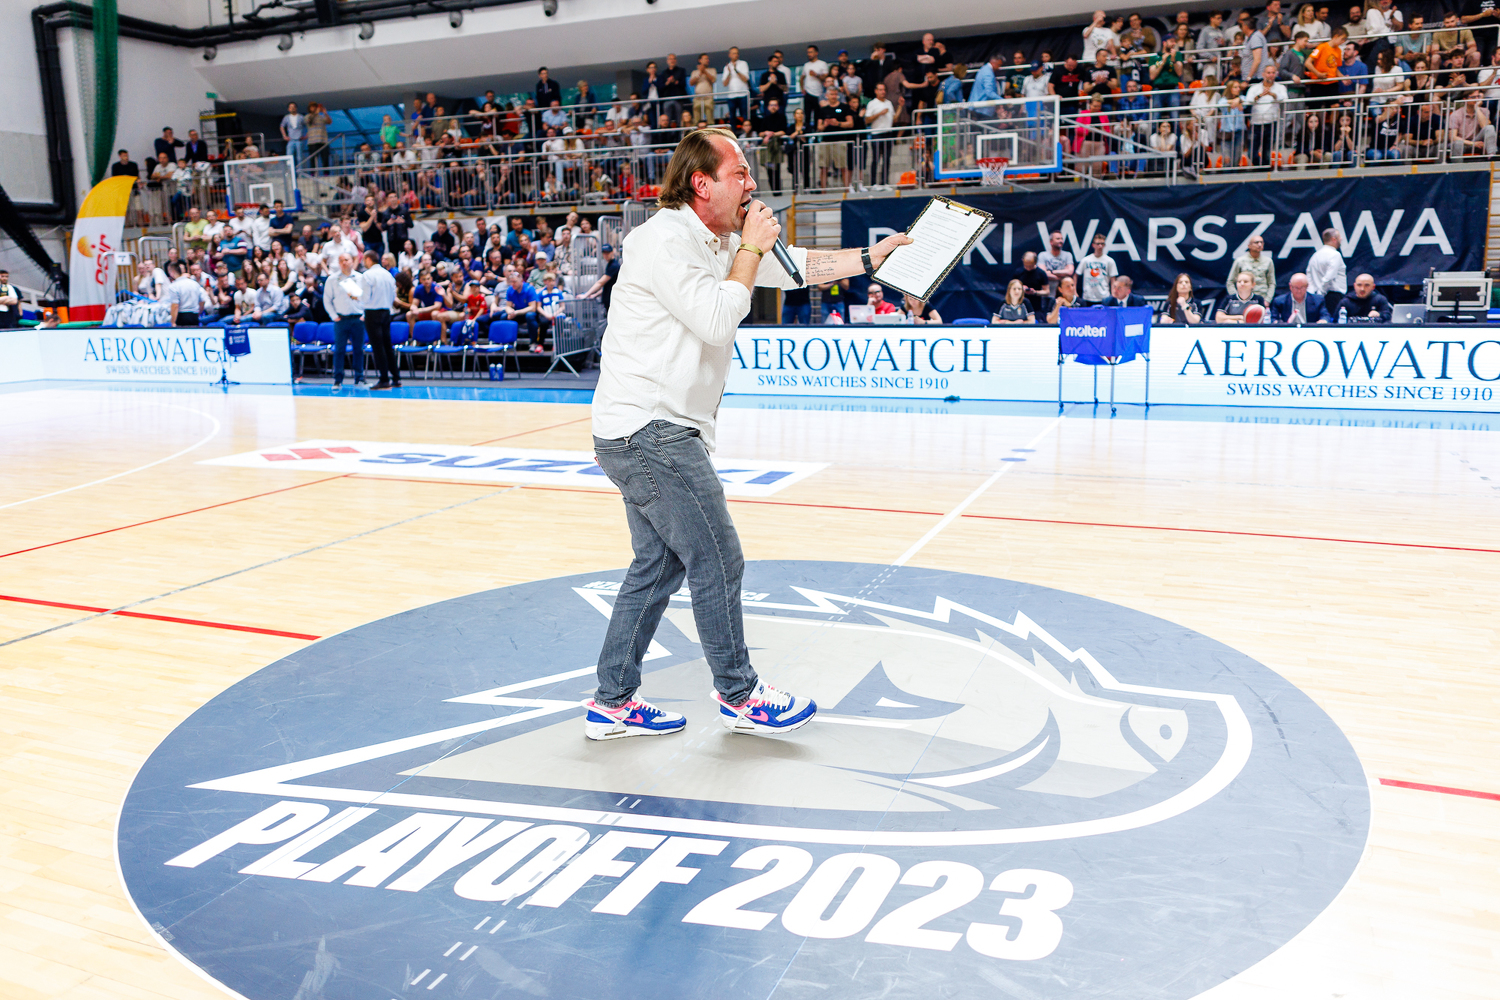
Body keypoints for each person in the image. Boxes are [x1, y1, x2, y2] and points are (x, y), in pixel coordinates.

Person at [584, 126, 910, 740]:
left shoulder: (720, 241)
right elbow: (715, 318)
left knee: (657, 566)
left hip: (641, 429)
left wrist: (870, 259)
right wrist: (753, 248)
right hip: (650, 429)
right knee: (717, 557)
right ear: (701, 183)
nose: (752, 183)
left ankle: (612, 701)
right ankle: (739, 695)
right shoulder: (663, 240)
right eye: (739, 173)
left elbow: (797, 268)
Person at [323, 253, 367, 388]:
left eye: (346, 260)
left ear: (353, 261)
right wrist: (333, 316)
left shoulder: (361, 278)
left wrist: (364, 314)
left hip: (358, 318)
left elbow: (367, 298)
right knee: (339, 350)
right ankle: (338, 380)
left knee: (358, 349)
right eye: (341, 260)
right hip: (341, 319)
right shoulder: (332, 279)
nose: (344, 262)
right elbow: (327, 300)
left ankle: (359, 378)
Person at [359, 250, 400, 389]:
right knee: (387, 346)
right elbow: (393, 295)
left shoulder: (367, 275)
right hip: (386, 312)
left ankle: (384, 379)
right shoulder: (388, 274)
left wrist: (355, 296)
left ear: (368, 259)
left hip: (373, 312)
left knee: (378, 347)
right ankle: (396, 378)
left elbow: (365, 298)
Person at [1306, 227, 1346, 316]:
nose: (1341, 239)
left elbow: (1309, 275)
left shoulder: (1315, 255)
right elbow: (1329, 276)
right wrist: (1321, 294)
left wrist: (1313, 294)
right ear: (1334, 239)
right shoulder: (1335, 255)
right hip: (1332, 297)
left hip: (1317, 295)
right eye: (1339, 237)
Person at [1226, 234, 1276, 301]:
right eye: (1256, 242)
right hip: (1244, 299)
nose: (1259, 245)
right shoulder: (1240, 261)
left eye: (1261, 242)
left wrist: (1268, 300)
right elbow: (1230, 282)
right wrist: (1236, 298)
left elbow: (1272, 283)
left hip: (1262, 298)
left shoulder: (1268, 261)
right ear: (1249, 245)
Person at [1077, 233, 1117, 305]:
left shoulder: (1110, 261)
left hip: (1104, 296)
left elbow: (1113, 279)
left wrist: (1113, 293)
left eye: (1102, 244)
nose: (1100, 246)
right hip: (1088, 297)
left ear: (1104, 245)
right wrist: (1074, 291)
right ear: (1093, 245)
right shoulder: (1086, 260)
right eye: (1098, 244)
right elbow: (1076, 274)